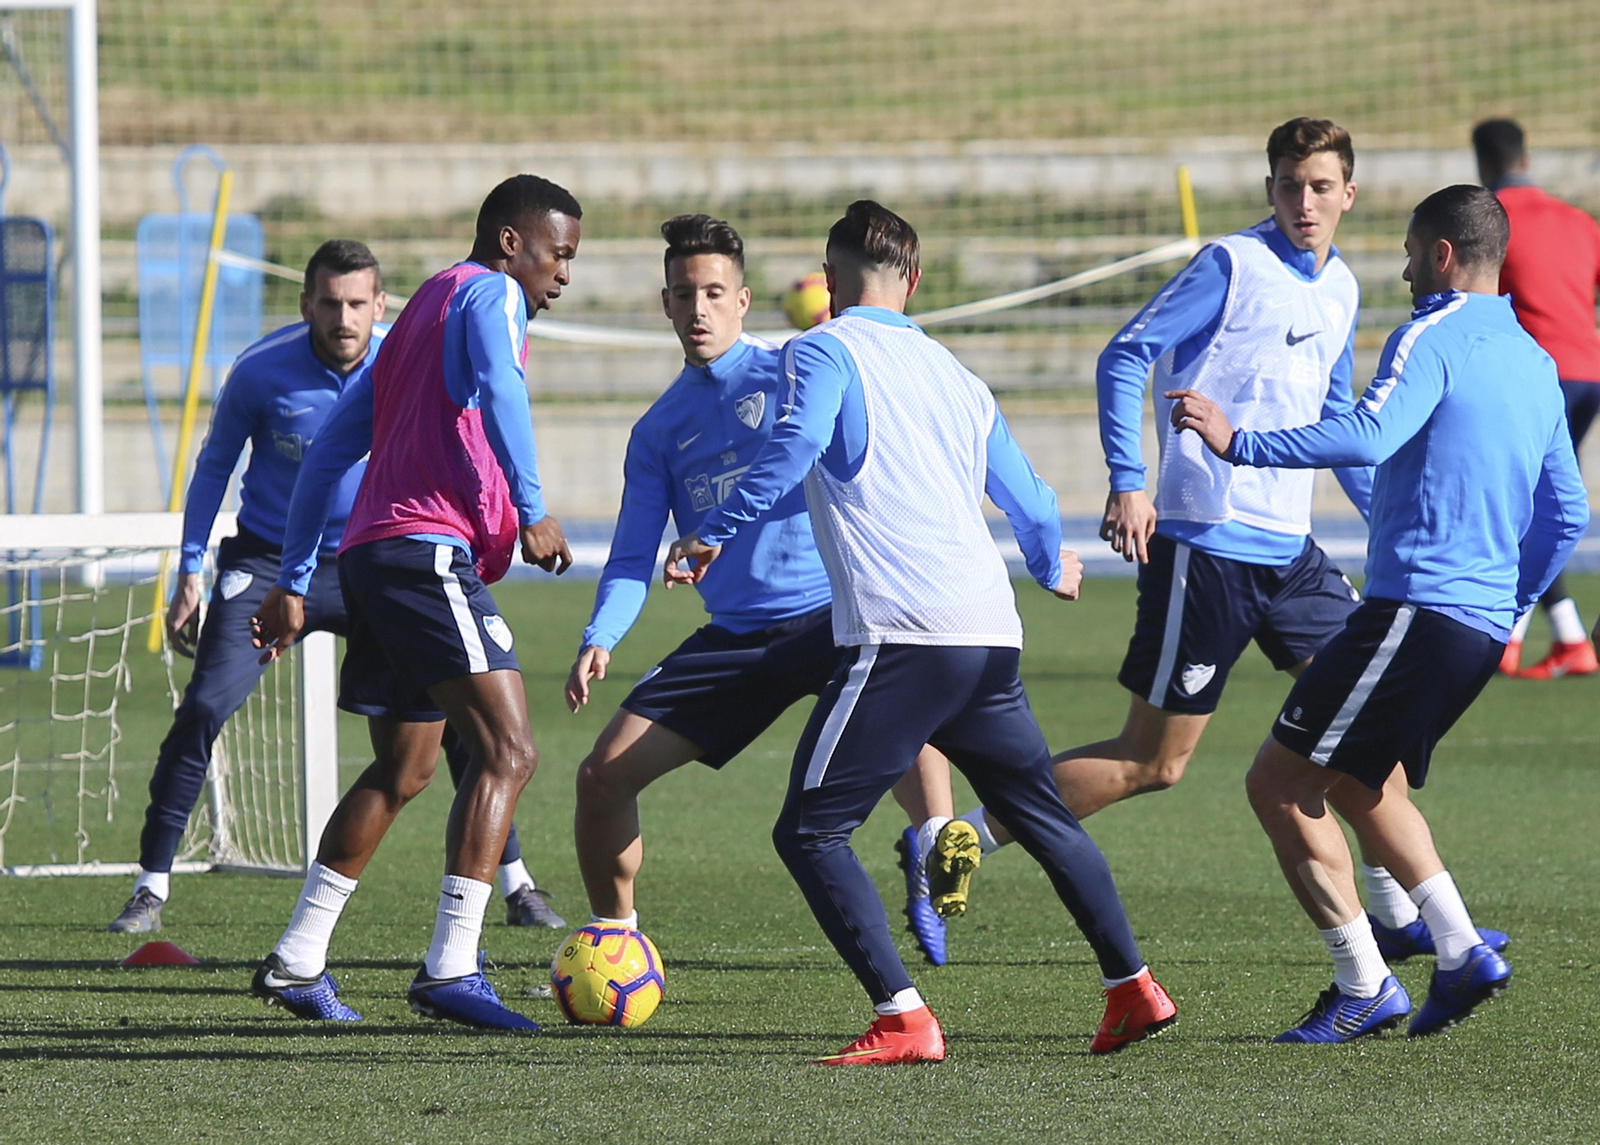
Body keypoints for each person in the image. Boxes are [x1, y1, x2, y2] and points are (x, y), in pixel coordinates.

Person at [935, 119, 1504, 967]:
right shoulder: (1231, 266)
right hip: (1208, 547)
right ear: (1269, 189)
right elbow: (1126, 355)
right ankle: (963, 838)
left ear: (1349, 193)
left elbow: (1340, 423)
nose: (1303, 202)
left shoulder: (1344, 286)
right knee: (1153, 762)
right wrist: (1129, 479)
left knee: (1359, 731)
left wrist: (1387, 519)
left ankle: (1394, 918)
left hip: (1296, 552)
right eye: (1287, 185)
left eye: (1319, 187)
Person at [664, 200, 1177, 1065]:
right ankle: (1132, 987)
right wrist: (1051, 561)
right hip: (989, 632)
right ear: (918, 280)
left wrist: (716, 526)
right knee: (1042, 816)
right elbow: (1035, 498)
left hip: (903, 634)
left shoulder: (821, 349)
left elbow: (794, 449)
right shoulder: (956, 373)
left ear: (828, 283)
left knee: (809, 832)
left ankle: (903, 1017)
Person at [1169, 184, 1588, 1040]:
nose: (1399, 270)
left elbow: (1365, 435)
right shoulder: (1533, 356)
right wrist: (1510, 606)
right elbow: (1569, 511)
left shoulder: (1431, 334)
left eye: (1406, 252)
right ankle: (1461, 947)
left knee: (1278, 785)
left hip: (1415, 607)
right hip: (1472, 624)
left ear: (1439, 255)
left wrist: (1237, 440)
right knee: (1357, 779)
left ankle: (1366, 981)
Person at [107, 242, 563, 937]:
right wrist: (191, 571)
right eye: (329, 302)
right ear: (305, 304)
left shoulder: (401, 357)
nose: (343, 317)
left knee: (456, 731)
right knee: (205, 703)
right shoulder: (261, 370)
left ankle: (517, 883)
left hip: (370, 562)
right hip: (269, 563)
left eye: (357, 303)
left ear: (380, 305)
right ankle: (151, 884)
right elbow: (212, 471)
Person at [564, 214, 954, 966]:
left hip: (837, 615)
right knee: (601, 776)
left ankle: (930, 852)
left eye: (714, 291)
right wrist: (600, 636)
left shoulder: (801, 373)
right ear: (666, 306)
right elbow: (630, 556)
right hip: (740, 637)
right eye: (684, 294)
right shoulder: (658, 431)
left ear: (743, 301)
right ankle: (615, 940)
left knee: (909, 707)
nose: (699, 308)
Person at [248, 175, 579, 1028]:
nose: (562, 276)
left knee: (406, 768)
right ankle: (451, 966)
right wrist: (533, 507)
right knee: (510, 750)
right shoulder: (491, 293)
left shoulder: (418, 317)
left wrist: (293, 580)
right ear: (513, 242)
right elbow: (503, 391)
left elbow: (327, 453)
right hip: (426, 552)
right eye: (559, 254)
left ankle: (295, 960)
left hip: (369, 558)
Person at [1473, 118, 1600, 678]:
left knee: (1518, 502)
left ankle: (1515, 633)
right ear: (1526, 158)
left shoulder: (1488, 220)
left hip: (1535, 377)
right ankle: (1562, 636)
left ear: (1482, 163)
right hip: (1589, 374)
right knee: (1536, 500)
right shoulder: (1578, 220)